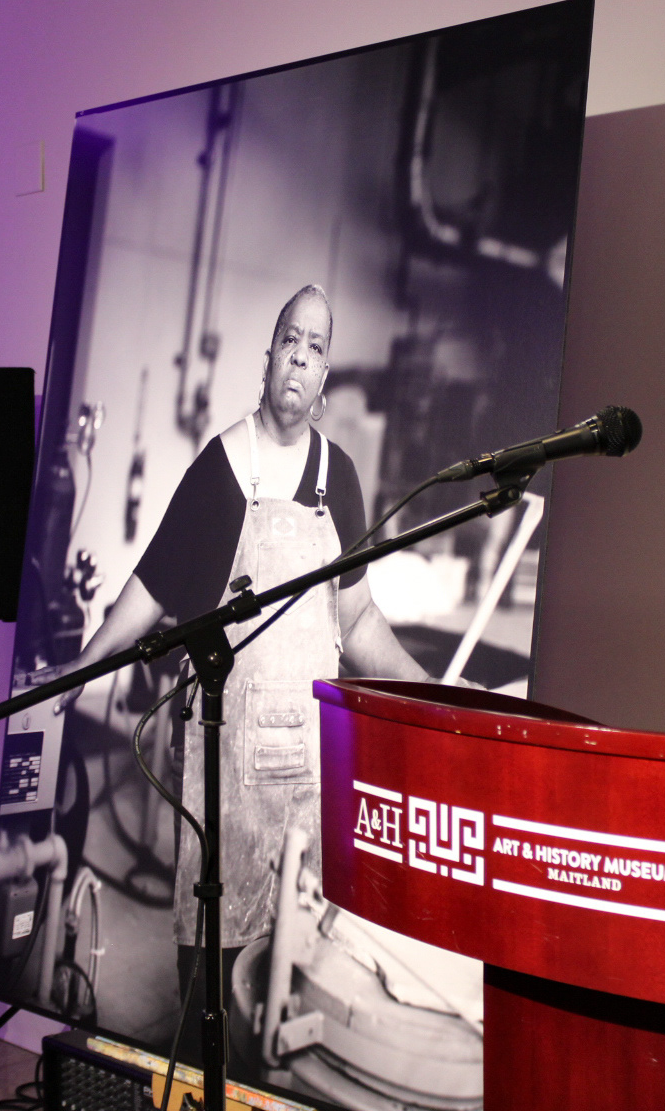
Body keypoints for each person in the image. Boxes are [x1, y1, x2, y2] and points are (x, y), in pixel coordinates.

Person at [65, 283, 439, 1074]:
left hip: (306, 770)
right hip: (227, 769)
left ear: (325, 374)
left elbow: (356, 621)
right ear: (266, 358)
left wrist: (432, 694)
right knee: (211, 973)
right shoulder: (224, 467)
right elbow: (154, 587)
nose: (299, 355)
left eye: (315, 344)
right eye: (288, 339)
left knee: (293, 976)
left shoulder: (338, 479)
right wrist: (83, 664)